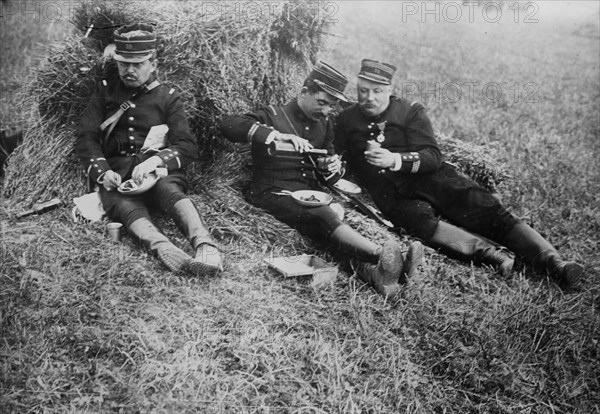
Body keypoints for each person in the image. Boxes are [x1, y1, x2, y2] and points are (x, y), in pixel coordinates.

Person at [335, 58, 584, 289]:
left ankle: (555, 263)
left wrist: (395, 159)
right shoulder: (346, 119)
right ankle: (493, 255)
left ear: (390, 89)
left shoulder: (410, 111)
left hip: (429, 177)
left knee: (480, 205)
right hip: (389, 192)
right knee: (418, 223)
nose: (369, 98)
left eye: (377, 91)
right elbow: (337, 152)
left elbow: (432, 155)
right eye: (363, 91)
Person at [220, 62, 422, 297]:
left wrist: (331, 167)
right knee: (324, 216)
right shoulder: (273, 115)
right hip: (270, 193)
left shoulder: (323, 125)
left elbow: (326, 167)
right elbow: (228, 125)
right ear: (304, 92)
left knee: (328, 225)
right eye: (322, 102)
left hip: (308, 195)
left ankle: (378, 275)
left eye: (331, 106)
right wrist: (274, 135)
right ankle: (381, 255)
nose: (327, 111)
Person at [76, 23, 221, 275]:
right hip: (119, 173)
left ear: (153, 64)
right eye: (123, 64)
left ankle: (205, 246)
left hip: (157, 170)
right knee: (122, 203)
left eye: (138, 64)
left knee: (169, 189)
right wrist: (102, 173)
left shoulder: (168, 97)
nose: (129, 70)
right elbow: (86, 138)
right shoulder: (104, 92)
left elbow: (186, 145)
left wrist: (157, 162)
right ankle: (164, 248)